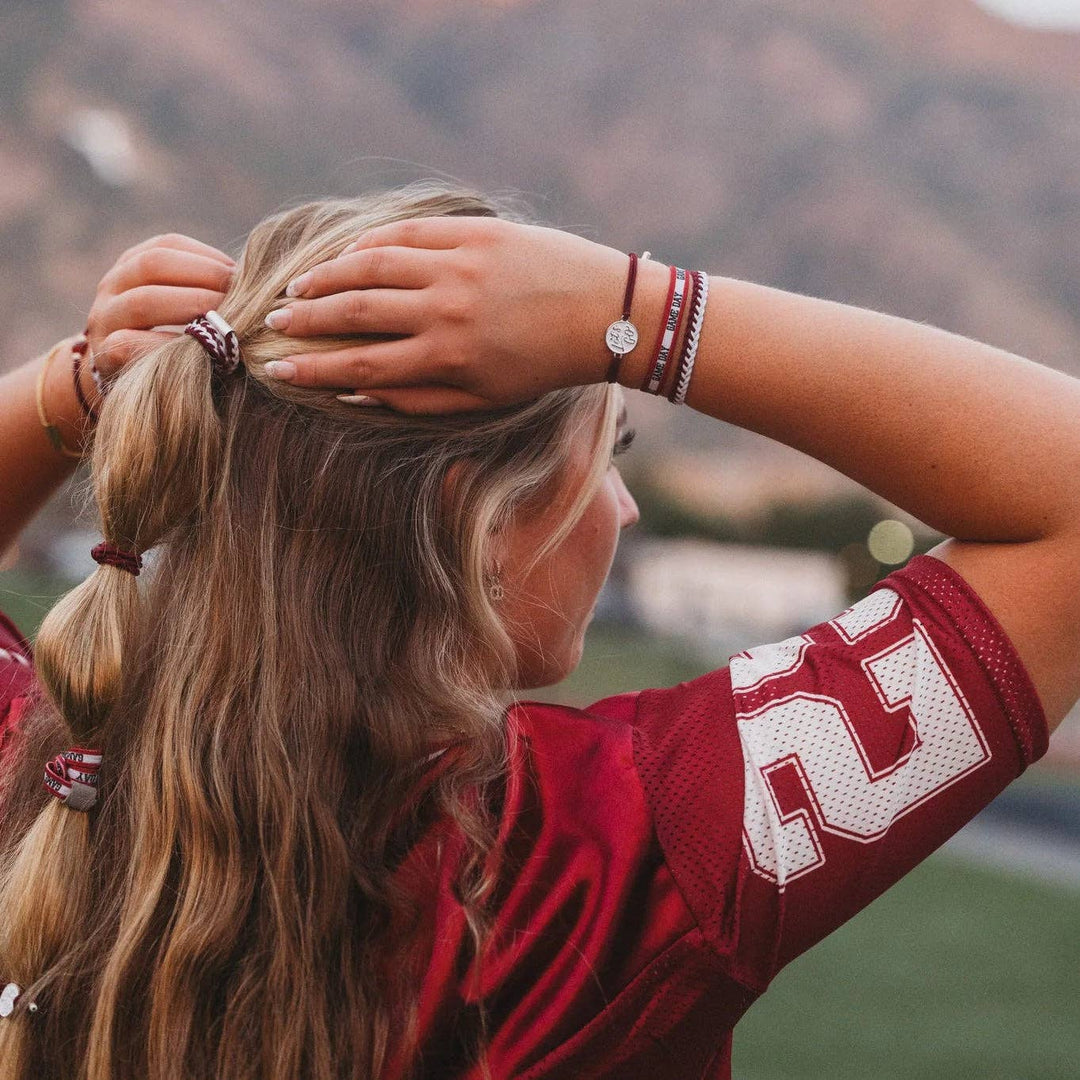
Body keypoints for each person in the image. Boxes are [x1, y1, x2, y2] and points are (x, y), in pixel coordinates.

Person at [0, 180, 1075, 1080]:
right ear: (477, 519)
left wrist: (73, 386)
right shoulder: (602, 867)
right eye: (611, 453)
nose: (626, 508)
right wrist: (646, 314)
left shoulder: (43, 773)